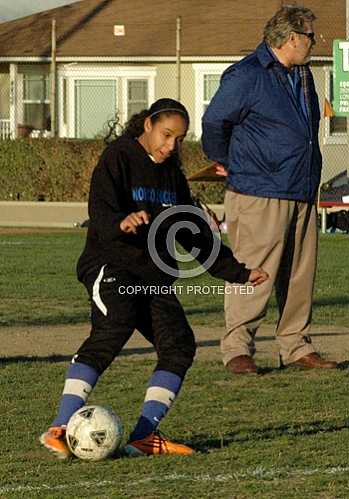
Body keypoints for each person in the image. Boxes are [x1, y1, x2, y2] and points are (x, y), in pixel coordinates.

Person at [40, 98, 268, 459]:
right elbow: (99, 207)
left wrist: (238, 272)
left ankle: (144, 436)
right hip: (110, 264)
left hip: (152, 275)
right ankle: (60, 426)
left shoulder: (172, 176)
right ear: (147, 124)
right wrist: (120, 222)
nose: (171, 146)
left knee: (179, 345)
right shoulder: (119, 156)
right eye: (166, 135)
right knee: (116, 324)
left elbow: (193, 234)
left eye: (179, 139)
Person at [202, 6, 338, 375]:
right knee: (253, 270)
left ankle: (296, 346)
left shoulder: (305, 76)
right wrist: (225, 159)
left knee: (299, 274)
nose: (314, 43)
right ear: (292, 38)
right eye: (311, 36)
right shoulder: (247, 75)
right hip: (258, 190)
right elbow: (214, 122)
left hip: (301, 188)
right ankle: (238, 349)